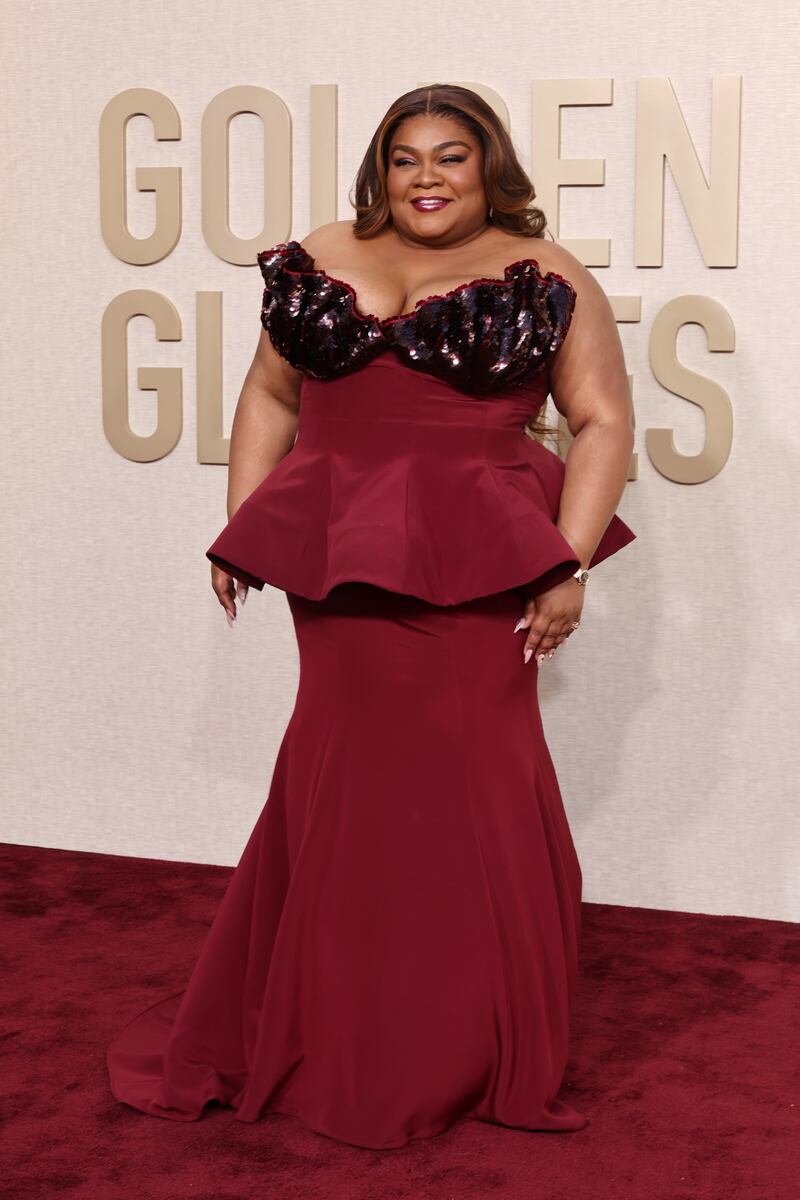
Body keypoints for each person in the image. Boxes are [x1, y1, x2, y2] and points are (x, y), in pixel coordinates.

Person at [107, 83, 636, 1151]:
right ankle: (331, 1025)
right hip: (338, 557)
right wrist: (246, 525)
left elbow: (602, 422)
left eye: (451, 155)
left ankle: (462, 1043)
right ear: (380, 170)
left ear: (489, 168)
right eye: (405, 158)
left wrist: (567, 563)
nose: (427, 176)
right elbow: (270, 396)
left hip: (480, 559)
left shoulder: (548, 271)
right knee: (341, 783)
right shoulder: (320, 252)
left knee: (475, 792)